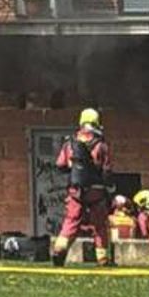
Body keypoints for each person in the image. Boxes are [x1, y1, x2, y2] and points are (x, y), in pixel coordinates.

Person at [51, 107, 113, 267]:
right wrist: (109, 190)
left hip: (76, 191)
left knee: (71, 221)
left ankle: (59, 250)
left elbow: (60, 165)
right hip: (96, 192)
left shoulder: (70, 143)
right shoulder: (101, 145)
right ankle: (103, 259)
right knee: (99, 226)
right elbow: (106, 170)